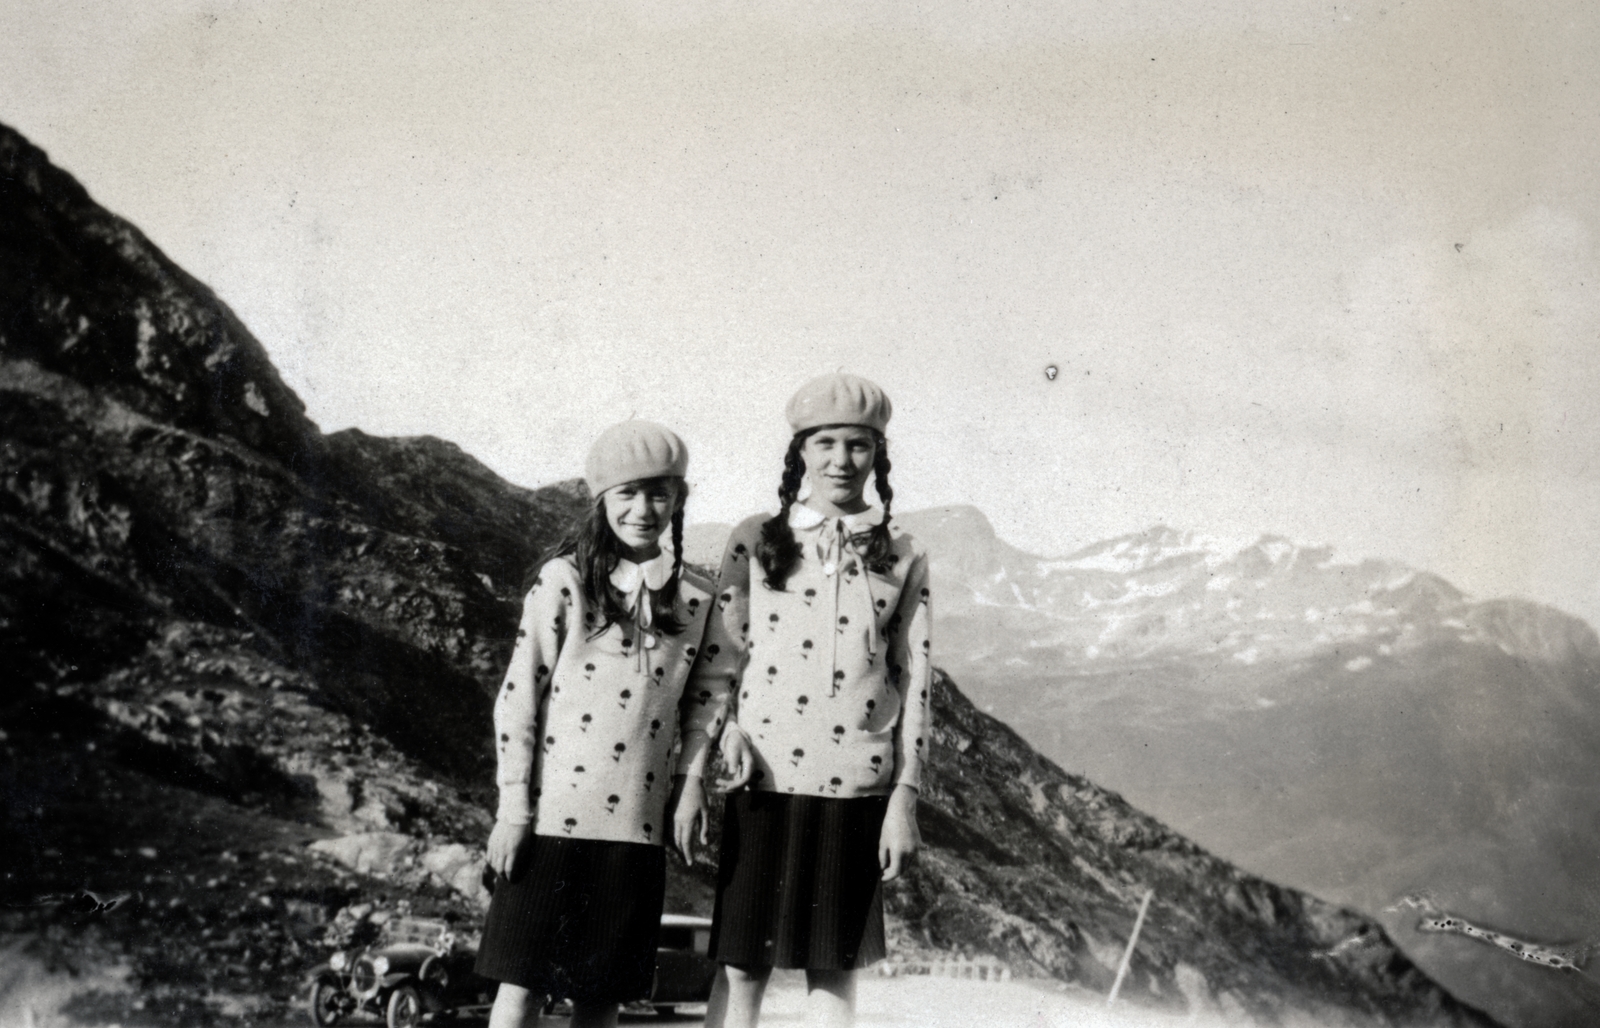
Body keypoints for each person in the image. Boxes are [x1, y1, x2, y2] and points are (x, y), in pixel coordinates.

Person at [691, 373, 933, 1028]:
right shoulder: (755, 540)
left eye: (857, 445)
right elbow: (720, 664)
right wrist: (729, 732)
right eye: (824, 443)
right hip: (763, 782)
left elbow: (915, 685)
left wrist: (903, 800)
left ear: (877, 455)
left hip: (857, 792)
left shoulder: (904, 555)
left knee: (832, 973)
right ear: (800, 451)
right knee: (742, 967)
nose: (839, 461)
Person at [475, 420, 728, 1028]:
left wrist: (690, 784)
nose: (644, 509)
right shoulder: (563, 580)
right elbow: (517, 697)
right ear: (602, 500)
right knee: (521, 991)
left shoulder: (698, 597)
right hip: (548, 821)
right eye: (627, 493)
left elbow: (707, 700)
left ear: (679, 499)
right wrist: (514, 811)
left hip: (635, 834)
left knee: (601, 999)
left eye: (659, 493)